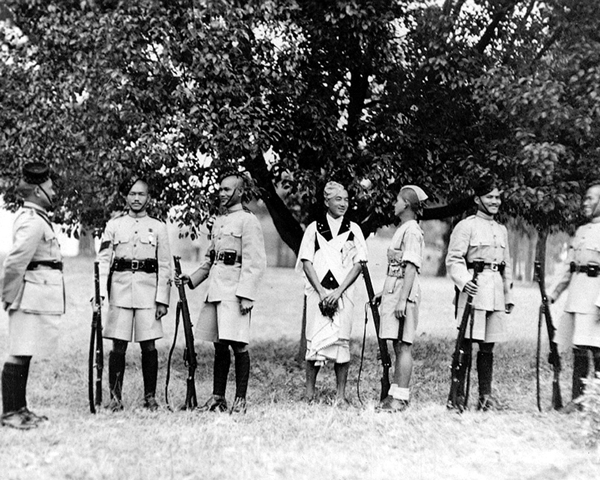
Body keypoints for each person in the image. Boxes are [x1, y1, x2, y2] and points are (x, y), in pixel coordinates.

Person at [177, 172, 266, 414]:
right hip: (216, 289)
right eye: (221, 189)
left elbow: (255, 262)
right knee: (219, 345)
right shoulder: (218, 221)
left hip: (235, 291)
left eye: (227, 189)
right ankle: (218, 396)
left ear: (239, 192)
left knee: (238, 345)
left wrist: (247, 294)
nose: (222, 193)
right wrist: (193, 278)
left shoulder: (248, 221)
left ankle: (240, 399)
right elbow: (211, 259)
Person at [97, 174, 172, 411]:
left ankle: (150, 397)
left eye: (141, 194)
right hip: (120, 290)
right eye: (132, 194)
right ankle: (115, 398)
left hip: (147, 293)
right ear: (125, 196)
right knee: (118, 345)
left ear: (149, 197)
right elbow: (103, 260)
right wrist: (99, 294)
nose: (136, 198)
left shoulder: (158, 227)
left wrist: (162, 299)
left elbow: (164, 265)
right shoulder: (114, 226)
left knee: (148, 345)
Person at [1, 162, 63, 429]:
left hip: (34, 296)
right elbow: (15, 262)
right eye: (50, 188)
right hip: (26, 296)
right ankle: (11, 413)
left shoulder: (37, 219)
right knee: (18, 352)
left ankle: (21, 409)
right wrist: (7, 296)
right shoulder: (32, 222)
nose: (54, 193)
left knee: (25, 352)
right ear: (38, 191)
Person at [445, 176, 514, 411]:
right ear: (477, 199)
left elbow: (506, 264)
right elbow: (454, 259)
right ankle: (457, 397)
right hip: (474, 289)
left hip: (495, 291)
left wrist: (508, 295)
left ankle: (485, 397)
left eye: (497, 197)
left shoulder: (501, 229)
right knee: (465, 343)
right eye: (489, 197)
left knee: (488, 346)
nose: (495, 201)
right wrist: (463, 281)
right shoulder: (466, 226)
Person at [296, 181, 368, 405]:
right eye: (338, 199)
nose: (343, 204)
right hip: (318, 292)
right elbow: (306, 261)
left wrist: (338, 292)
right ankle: (310, 393)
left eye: (346, 200)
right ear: (326, 202)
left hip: (343, 293)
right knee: (315, 343)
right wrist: (321, 291)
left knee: (341, 341)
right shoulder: (314, 228)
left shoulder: (353, 229)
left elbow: (359, 264)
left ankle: (340, 395)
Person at [548, 183, 600, 412]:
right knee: (579, 350)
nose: (585, 203)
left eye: (590, 199)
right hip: (578, 297)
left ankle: (595, 402)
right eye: (585, 199)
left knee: (597, 351)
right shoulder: (581, 232)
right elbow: (569, 267)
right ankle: (577, 400)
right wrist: (552, 294)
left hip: (596, 297)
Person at [377, 185, 428, 412]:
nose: (393, 203)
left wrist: (402, 300)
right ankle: (394, 394)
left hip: (403, 293)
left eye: (397, 200)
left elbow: (410, 268)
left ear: (406, 204)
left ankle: (401, 397)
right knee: (397, 344)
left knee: (403, 344)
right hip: (395, 289)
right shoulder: (404, 228)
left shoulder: (412, 231)